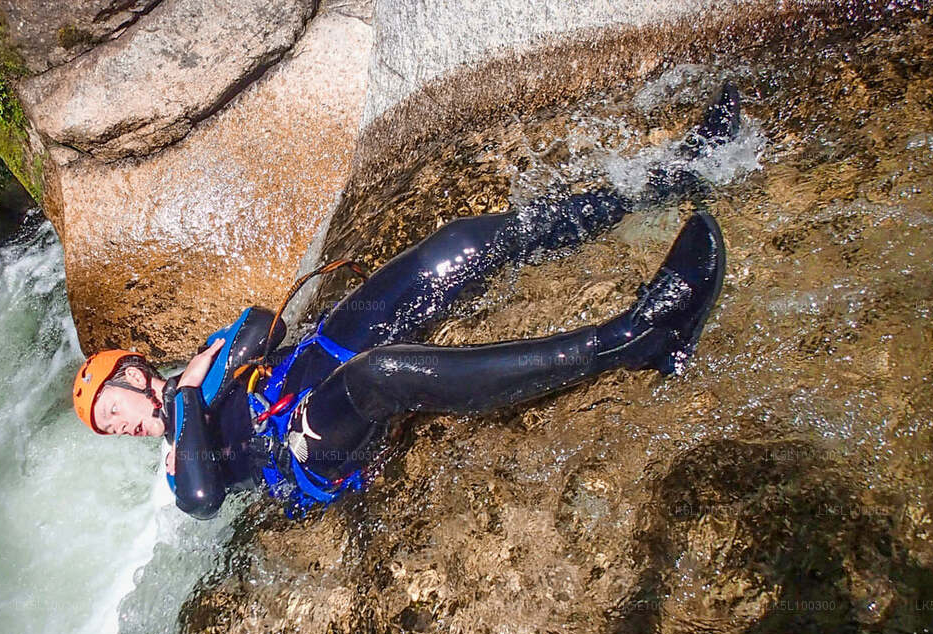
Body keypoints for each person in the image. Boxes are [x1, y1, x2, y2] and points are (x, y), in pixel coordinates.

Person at [72, 83, 740, 519]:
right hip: (305, 444)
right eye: (109, 428)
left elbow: (257, 327)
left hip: (327, 342)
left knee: (458, 246)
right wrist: (188, 395)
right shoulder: (180, 449)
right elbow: (202, 496)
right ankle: (638, 338)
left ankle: (674, 173)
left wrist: (203, 375)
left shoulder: (201, 371)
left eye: (113, 407)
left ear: (133, 373)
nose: (122, 425)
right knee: (380, 375)